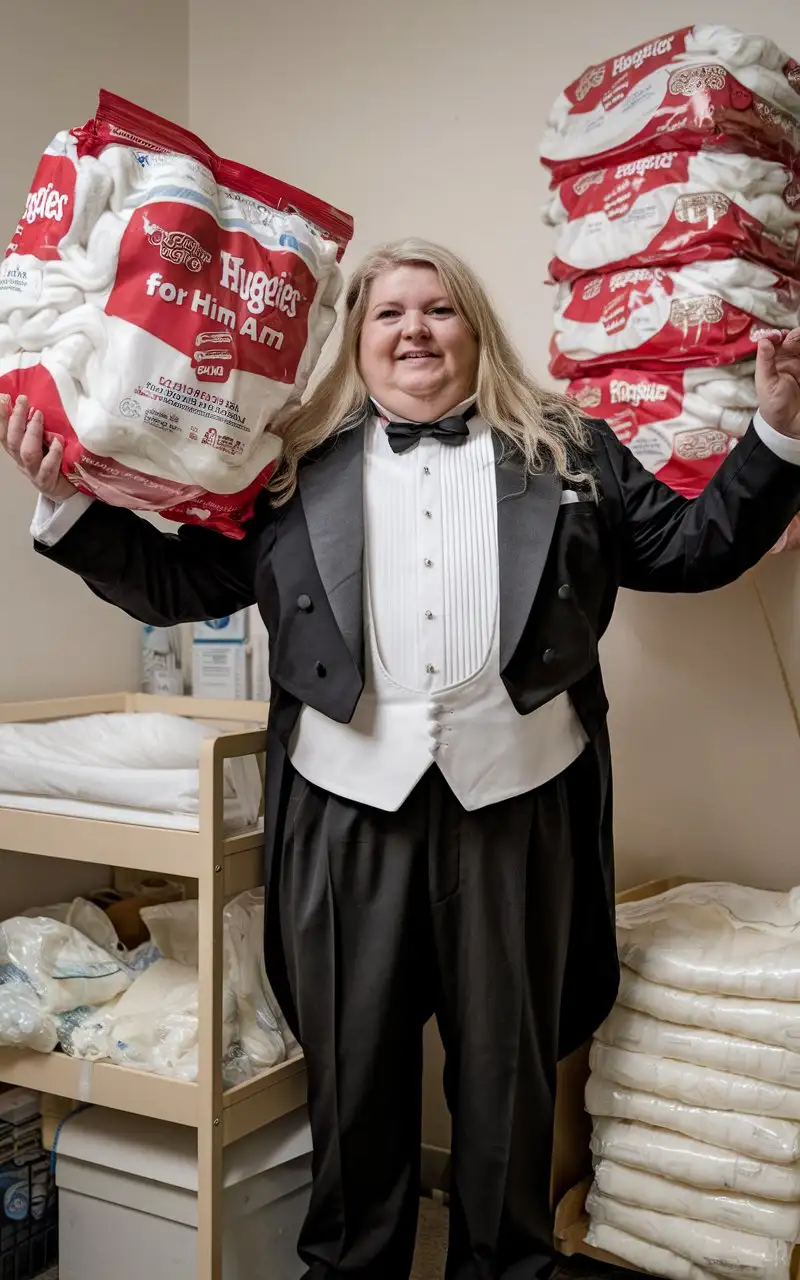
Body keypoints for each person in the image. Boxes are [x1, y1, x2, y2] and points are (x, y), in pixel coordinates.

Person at [3, 239, 800, 1280]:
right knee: (354, 1083)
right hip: (345, 814)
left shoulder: (569, 452)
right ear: (358, 339)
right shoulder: (289, 469)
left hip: (517, 807)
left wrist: (776, 429)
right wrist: (66, 501)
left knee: (506, 1085)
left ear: (475, 331)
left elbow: (693, 547)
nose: (413, 329)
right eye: (388, 312)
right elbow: (177, 582)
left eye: (438, 309)